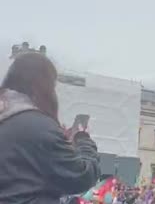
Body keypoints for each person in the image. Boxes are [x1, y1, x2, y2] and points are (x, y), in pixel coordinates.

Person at [0, 52, 100, 203]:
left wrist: (59, 140)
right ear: (43, 85)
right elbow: (81, 176)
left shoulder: (8, 118)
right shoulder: (38, 126)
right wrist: (83, 140)